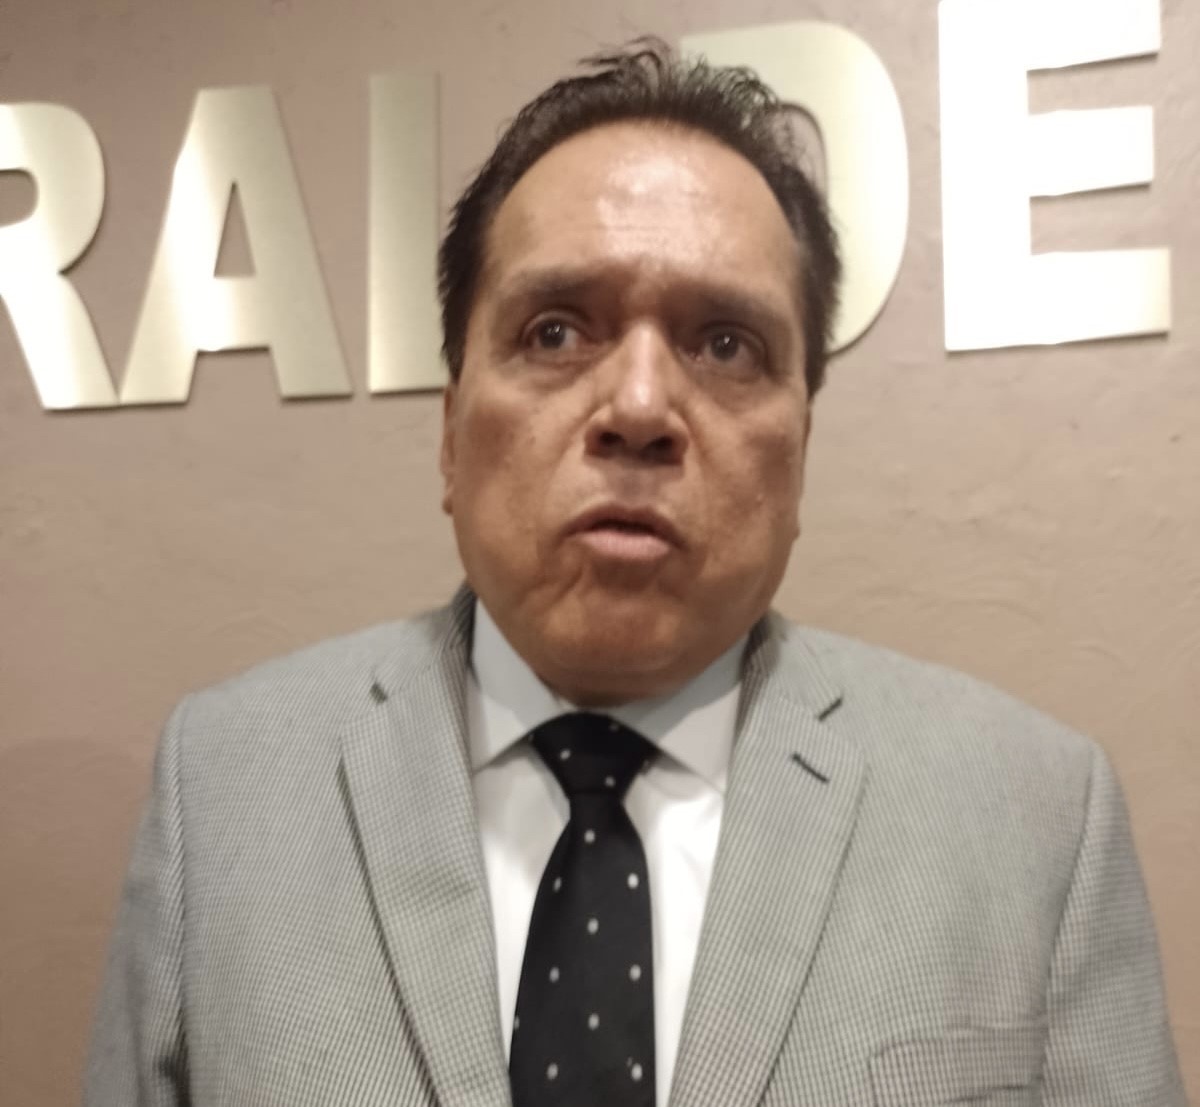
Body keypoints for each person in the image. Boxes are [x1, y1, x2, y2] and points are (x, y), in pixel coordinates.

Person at [84, 40, 1185, 1106]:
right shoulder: (224, 793)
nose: (642, 408)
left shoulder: (1039, 821)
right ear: (451, 434)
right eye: (556, 332)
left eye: (725, 344)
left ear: (800, 448)